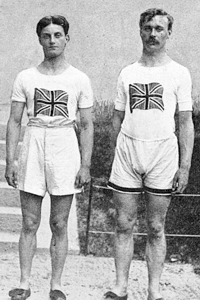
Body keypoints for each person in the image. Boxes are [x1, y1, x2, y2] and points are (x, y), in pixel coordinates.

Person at [105, 8, 194, 300]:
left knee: (156, 226)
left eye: (159, 28)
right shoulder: (128, 72)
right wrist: (115, 154)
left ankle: (153, 290)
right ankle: (120, 287)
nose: (152, 34)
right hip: (129, 152)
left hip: (162, 153)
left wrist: (184, 167)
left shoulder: (179, 73)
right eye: (147, 28)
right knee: (123, 223)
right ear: (140, 31)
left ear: (169, 33)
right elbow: (117, 117)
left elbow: (184, 122)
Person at [5, 15, 93, 300]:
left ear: (67, 39)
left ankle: (56, 285)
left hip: (64, 144)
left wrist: (85, 164)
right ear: (40, 39)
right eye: (47, 35)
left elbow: (88, 124)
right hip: (34, 143)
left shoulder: (79, 78)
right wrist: (11, 160)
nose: (52, 40)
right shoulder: (26, 77)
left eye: (58, 35)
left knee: (59, 222)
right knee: (30, 222)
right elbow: (15, 121)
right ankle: (24, 282)